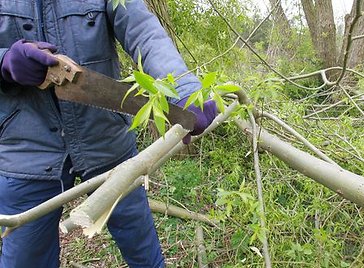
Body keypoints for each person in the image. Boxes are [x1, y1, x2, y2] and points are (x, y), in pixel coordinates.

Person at [0, 0, 217, 267]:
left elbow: (144, 31)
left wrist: (183, 87)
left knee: (144, 255)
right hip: (25, 153)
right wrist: (5, 60)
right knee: (25, 260)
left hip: (108, 145)